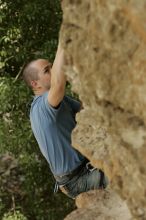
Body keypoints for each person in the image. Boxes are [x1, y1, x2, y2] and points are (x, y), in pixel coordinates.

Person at [22, 40, 109, 199]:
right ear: (35, 83)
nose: (53, 70)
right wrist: (64, 40)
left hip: (86, 165)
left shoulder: (61, 101)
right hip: (76, 180)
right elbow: (58, 84)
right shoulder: (40, 108)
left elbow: (84, 114)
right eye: (47, 70)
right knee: (129, 173)